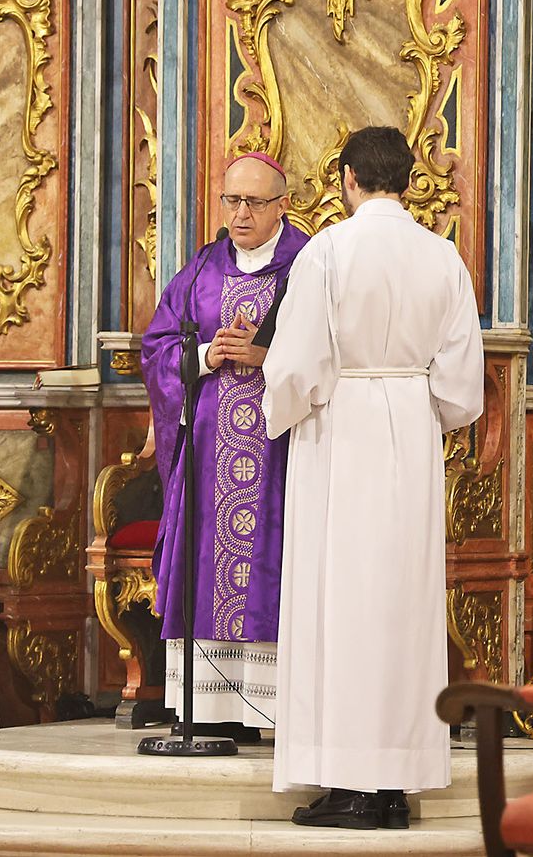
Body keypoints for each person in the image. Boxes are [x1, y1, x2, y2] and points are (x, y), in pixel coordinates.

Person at [263, 126, 484, 831]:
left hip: (340, 430)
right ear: (408, 180)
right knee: (400, 606)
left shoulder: (328, 251)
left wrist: (284, 408)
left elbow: (295, 365)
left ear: (349, 178)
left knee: (340, 605)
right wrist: (417, 411)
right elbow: (462, 389)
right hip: (409, 431)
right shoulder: (443, 257)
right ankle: (393, 783)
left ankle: (353, 784)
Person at [140, 152, 309, 740]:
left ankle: (275, 707)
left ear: (282, 204)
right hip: (211, 450)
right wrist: (207, 355)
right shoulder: (202, 271)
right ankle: (212, 710)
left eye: (254, 202)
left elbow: (333, 352)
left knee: (274, 561)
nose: (240, 213)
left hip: (282, 450)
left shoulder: (307, 267)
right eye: (231, 200)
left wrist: (268, 357)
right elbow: (157, 346)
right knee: (208, 563)